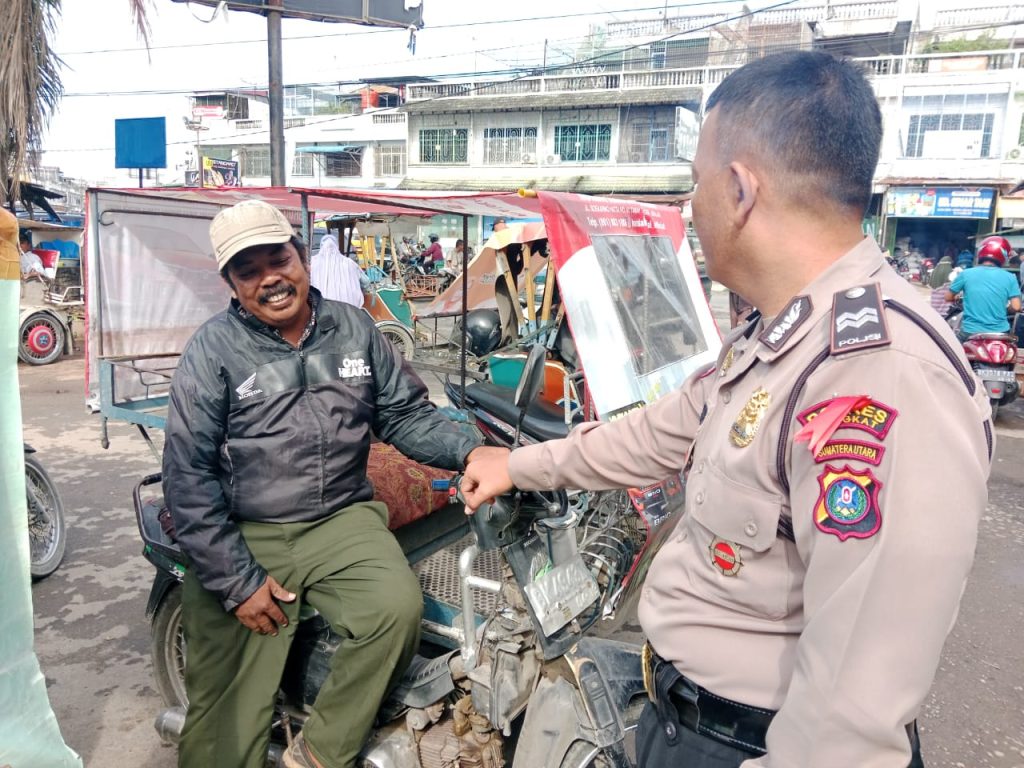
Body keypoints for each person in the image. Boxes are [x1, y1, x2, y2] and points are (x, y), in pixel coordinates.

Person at [462, 51, 991, 767]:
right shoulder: (777, 335)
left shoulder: (879, 374)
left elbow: (847, 725)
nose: (690, 209)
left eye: (695, 185)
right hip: (683, 719)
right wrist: (518, 464)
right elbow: (657, 434)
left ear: (740, 190)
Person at [162, 199, 484, 768]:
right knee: (225, 710)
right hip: (247, 526)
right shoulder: (212, 350)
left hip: (341, 516)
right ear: (231, 283)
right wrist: (237, 581)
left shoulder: (354, 327)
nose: (270, 278)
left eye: (278, 258)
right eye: (248, 270)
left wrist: (472, 450)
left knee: (394, 610)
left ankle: (318, 753)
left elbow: (406, 416)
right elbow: (188, 474)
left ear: (300, 255)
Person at [945, 235, 1021, 342]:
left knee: (952, 353)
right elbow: (1016, 307)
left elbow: (948, 297)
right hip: (1000, 333)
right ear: (1003, 256)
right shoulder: (1010, 277)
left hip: (970, 332)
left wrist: (956, 298)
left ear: (981, 253)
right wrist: (1006, 309)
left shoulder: (966, 274)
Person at [310, 232, 372, 308]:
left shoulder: (312, 263)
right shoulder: (350, 263)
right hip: (350, 311)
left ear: (321, 247)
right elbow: (366, 282)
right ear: (337, 247)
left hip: (319, 310)